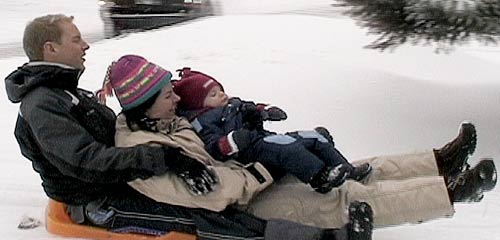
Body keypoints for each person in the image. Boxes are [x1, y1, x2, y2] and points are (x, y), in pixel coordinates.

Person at [4, 14, 373, 240]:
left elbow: (116, 128)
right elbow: (85, 160)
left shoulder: (66, 92)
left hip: (124, 180)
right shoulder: (43, 104)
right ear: (50, 49)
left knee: (211, 185)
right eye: (75, 39)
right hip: (97, 201)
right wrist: (164, 157)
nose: (85, 44)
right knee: (201, 218)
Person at [98, 54, 374, 240]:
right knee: (238, 229)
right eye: (170, 94)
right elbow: (211, 194)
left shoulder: (165, 120)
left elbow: (213, 142)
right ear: (145, 104)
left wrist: (249, 127)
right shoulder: (140, 150)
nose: (178, 99)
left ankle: (335, 166)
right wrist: (259, 171)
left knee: (288, 144)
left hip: (234, 174)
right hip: (215, 204)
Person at [172, 68, 372, 193]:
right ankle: (320, 177)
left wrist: (265, 111)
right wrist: (233, 141)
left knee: (313, 136)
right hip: (249, 152)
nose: (222, 95)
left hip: (264, 138)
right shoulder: (202, 122)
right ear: (199, 104)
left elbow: (251, 106)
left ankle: (345, 168)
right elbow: (213, 147)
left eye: (220, 89)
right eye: (213, 94)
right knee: (288, 147)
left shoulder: (233, 104)